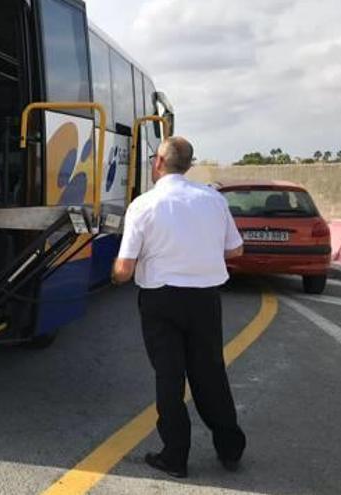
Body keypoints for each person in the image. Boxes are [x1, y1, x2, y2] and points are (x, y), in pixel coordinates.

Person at [111, 136, 246, 479]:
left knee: (170, 379)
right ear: (189, 164)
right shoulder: (213, 200)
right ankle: (230, 449)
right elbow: (236, 251)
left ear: (158, 162)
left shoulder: (143, 205)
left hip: (161, 300)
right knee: (210, 373)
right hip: (205, 299)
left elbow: (124, 270)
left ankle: (176, 456)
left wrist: (113, 275)